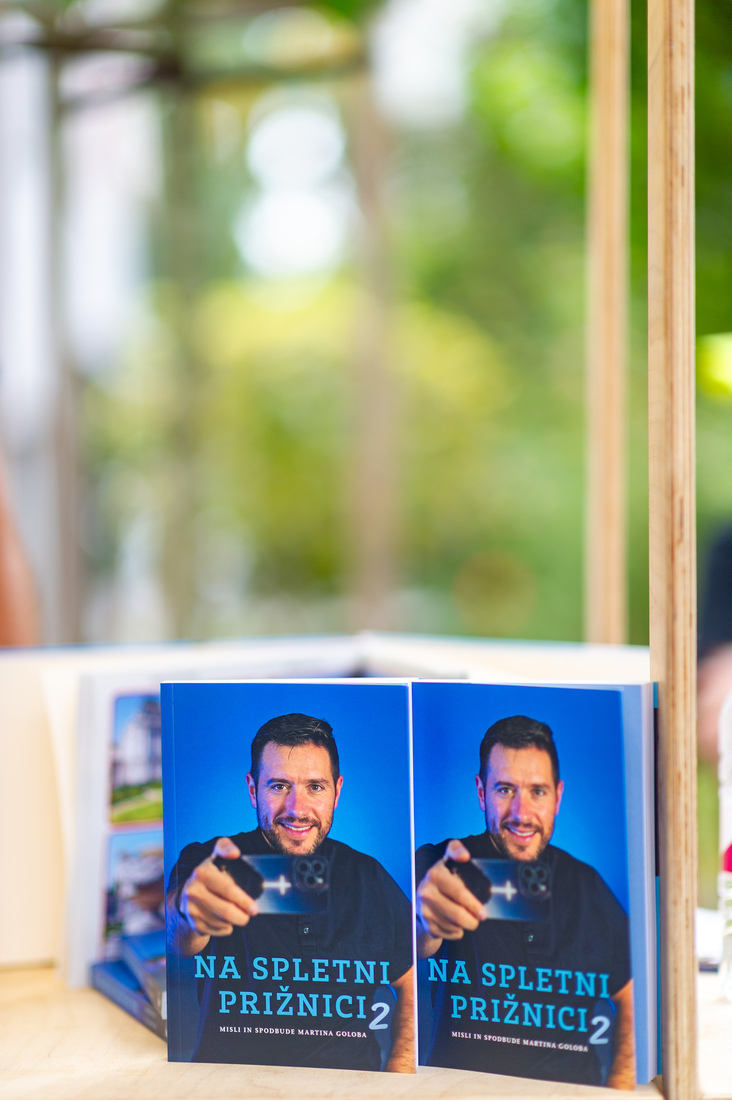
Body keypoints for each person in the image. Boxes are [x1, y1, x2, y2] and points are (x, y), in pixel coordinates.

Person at [167, 712, 414, 1071]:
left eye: (315, 787)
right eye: (279, 786)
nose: (297, 810)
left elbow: (408, 978)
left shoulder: (367, 875)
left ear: (336, 791)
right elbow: (178, 938)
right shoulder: (208, 862)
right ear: (253, 789)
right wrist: (189, 913)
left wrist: (400, 1068)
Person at [415, 715, 635, 1089]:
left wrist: (619, 1088)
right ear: (481, 792)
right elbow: (418, 938)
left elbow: (628, 997)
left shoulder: (585, 884)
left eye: (537, 791)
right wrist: (427, 922)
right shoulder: (439, 864)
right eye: (505, 790)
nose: (521, 813)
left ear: (557, 797)